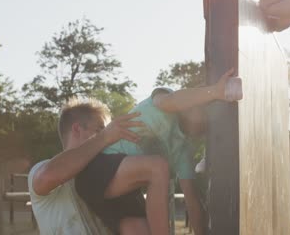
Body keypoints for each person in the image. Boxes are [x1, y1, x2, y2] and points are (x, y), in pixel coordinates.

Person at [76, 68, 239, 235]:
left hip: (123, 195)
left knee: (141, 230)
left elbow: (192, 200)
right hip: (96, 172)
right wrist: (214, 92)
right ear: (189, 102)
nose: (205, 115)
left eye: (208, 114)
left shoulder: (183, 150)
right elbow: (173, 100)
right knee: (158, 167)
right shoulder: (165, 101)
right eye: (202, 107)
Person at [28, 98, 171, 235]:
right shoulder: (43, 168)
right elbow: (47, 176)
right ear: (77, 129)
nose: (111, 141)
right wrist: (104, 137)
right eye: (100, 130)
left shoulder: (110, 177)